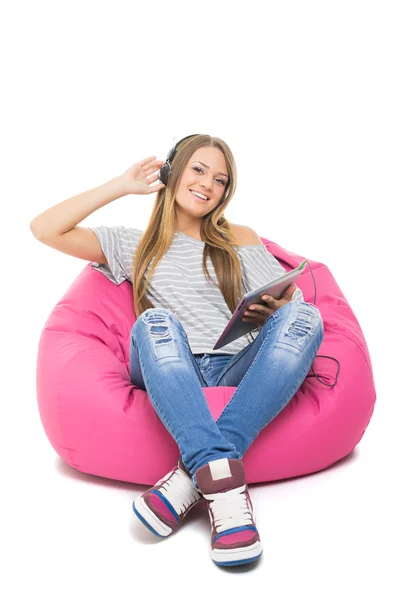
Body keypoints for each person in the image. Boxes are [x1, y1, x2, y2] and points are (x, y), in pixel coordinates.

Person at [30, 134, 324, 568]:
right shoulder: (133, 243)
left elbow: (291, 303)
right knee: (154, 320)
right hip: (170, 364)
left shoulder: (239, 238)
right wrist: (121, 185)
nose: (208, 184)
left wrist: (281, 306)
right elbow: (44, 228)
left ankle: (195, 477)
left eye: (220, 180)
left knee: (308, 318)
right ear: (173, 170)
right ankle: (224, 487)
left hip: (234, 367)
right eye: (198, 170)